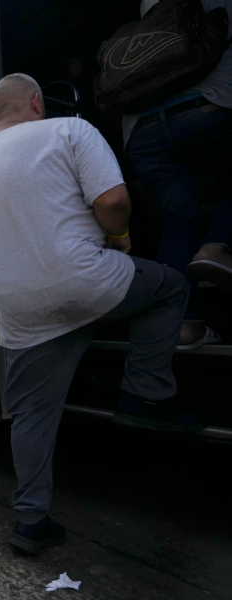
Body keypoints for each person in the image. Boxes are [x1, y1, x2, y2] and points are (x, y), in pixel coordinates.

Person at [0, 74, 190, 555]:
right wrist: (122, 239)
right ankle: (144, 392)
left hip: (22, 313)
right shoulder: (71, 129)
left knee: (31, 418)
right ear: (37, 103)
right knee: (171, 288)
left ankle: (30, 521)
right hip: (91, 283)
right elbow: (112, 200)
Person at [124, 0, 232, 347]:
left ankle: (184, 325)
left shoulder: (145, 19)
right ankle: (216, 247)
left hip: (142, 131)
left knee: (178, 224)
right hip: (207, 107)